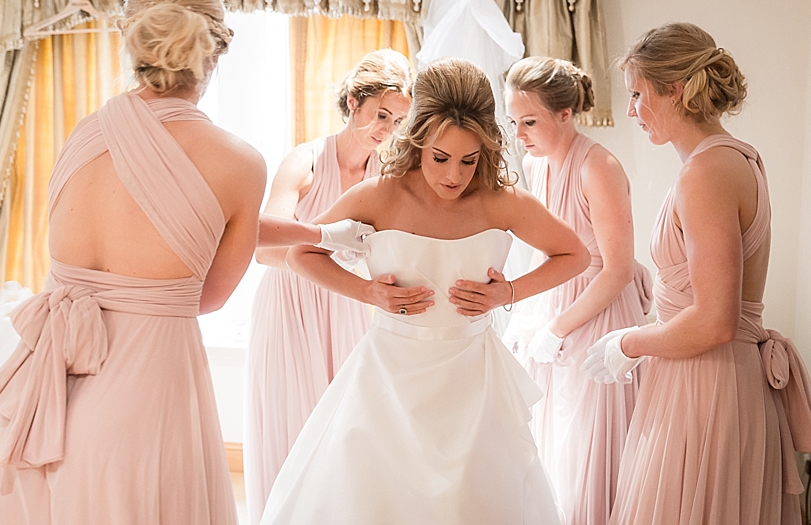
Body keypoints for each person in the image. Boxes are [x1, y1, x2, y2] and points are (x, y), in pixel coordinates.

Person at [0, 0, 371, 525]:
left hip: (48, 397)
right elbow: (206, 292)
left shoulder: (83, 132)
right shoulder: (237, 162)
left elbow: (171, 221)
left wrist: (320, 233)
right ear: (216, 48)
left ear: (135, 38)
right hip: (143, 397)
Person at [259, 57, 590, 524]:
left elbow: (574, 254)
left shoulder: (502, 200)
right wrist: (367, 292)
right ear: (417, 141)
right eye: (440, 158)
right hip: (389, 379)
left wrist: (508, 292)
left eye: (468, 160)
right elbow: (301, 253)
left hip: (472, 380)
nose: (454, 175)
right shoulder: (380, 194)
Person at [580, 22, 811, 524]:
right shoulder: (733, 159)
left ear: (674, 90)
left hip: (707, 381)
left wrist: (628, 342)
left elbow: (715, 320)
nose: (631, 111)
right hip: (707, 376)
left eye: (636, 94)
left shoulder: (707, 172)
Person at [244, 48, 413, 521]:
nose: (387, 129)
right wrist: (323, 245)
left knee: (347, 430)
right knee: (292, 424)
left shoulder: (390, 174)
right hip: (290, 306)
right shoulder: (304, 162)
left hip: (349, 305)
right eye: (381, 114)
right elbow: (262, 249)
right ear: (354, 101)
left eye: (398, 121)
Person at [502, 56, 652, 525]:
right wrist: (526, 317)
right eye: (513, 122)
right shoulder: (536, 163)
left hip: (598, 313)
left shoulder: (599, 166)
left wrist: (557, 327)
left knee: (589, 445)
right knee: (551, 446)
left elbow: (618, 269)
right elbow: (545, 250)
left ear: (565, 113)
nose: (520, 134)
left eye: (530, 121)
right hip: (554, 306)